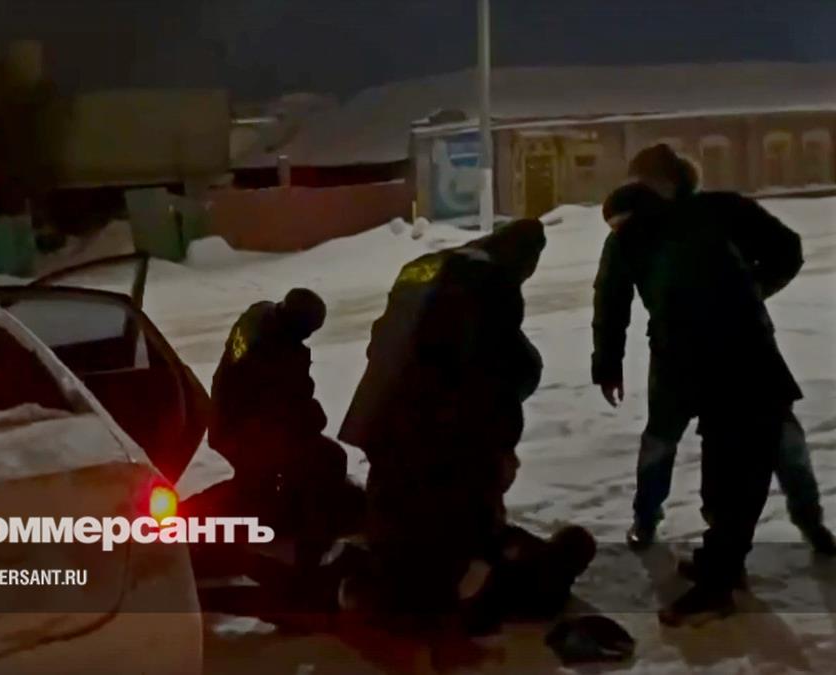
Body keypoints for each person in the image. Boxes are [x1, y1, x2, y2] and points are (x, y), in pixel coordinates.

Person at [339, 218, 594, 630]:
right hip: (445, 431)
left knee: (398, 505)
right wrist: (501, 444)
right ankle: (438, 588)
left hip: (382, 415)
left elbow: (383, 340)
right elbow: (497, 369)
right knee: (458, 516)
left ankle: (392, 575)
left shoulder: (427, 266)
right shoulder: (494, 280)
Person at [593, 144, 834, 557]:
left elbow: (785, 250)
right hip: (721, 347)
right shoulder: (645, 226)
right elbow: (611, 301)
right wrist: (607, 362)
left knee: (696, 438)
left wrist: (749, 290)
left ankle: (656, 522)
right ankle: (804, 523)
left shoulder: (710, 213)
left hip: (707, 349)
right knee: (769, 435)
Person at [195, 288, 361, 569]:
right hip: (247, 433)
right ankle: (308, 545)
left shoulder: (259, 315)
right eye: (307, 331)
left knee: (255, 486)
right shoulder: (279, 352)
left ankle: (196, 520)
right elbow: (296, 407)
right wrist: (315, 418)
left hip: (230, 420)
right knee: (321, 461)